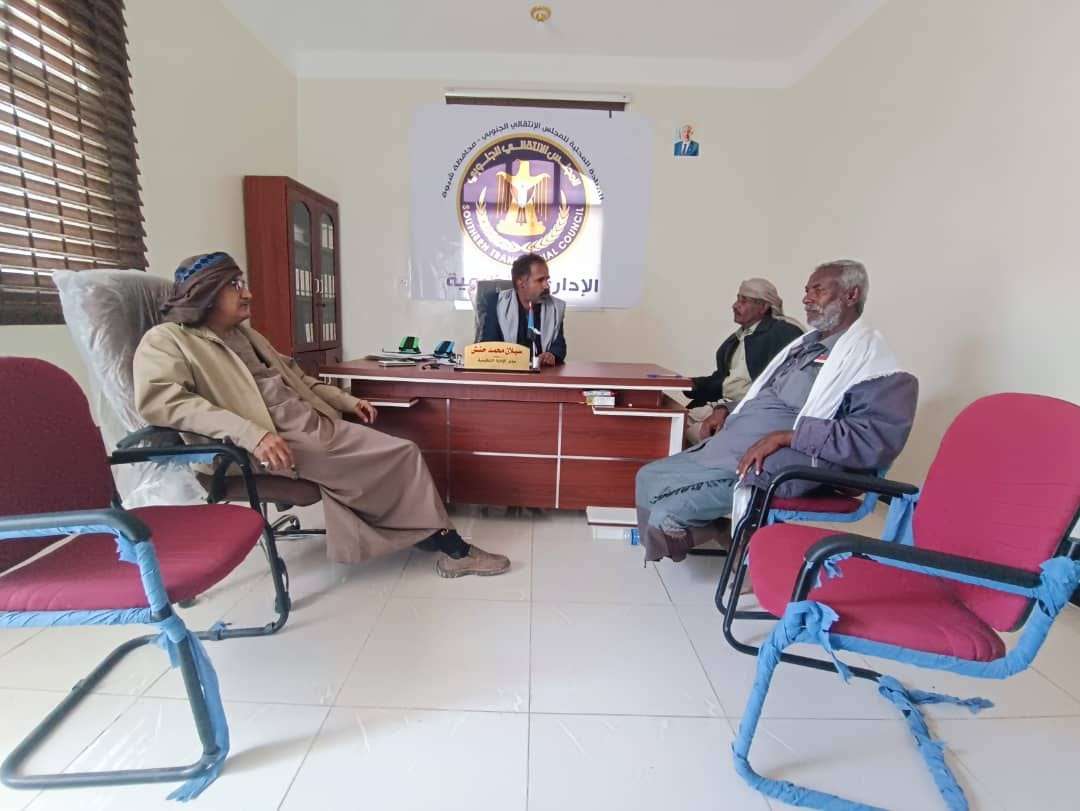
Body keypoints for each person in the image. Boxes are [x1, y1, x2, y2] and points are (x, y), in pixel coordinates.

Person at [133, 251, 510, 576]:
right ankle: (451, 547)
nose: (248, 293)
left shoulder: (246, 335)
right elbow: (164, 402)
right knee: (401, 455)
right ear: (206, 291)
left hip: (307, 422)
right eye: (236, 285)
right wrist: (252, 435)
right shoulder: (168, 340)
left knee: (394, 456)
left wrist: (344, 401)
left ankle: (421, 532)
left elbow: (296, 378)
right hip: (269, 440)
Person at [635, 260, 918, 563]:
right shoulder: (804, 348)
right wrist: (725, 408)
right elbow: (763, 395)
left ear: (852, 295)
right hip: (730, 445)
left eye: (818, 290)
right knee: (647, 477)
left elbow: (872, 441)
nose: (806, 298)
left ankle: (737, 543)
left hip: (776, 464)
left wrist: (787, 437)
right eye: (807, 290)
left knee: (666, 513)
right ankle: (734, 537)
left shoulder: (876, 367)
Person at [684, 278, 804, 444]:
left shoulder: (783, 333)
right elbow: (725, 380)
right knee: (671, 420)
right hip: (724, 406)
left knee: (682, 431)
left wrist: (726, 408)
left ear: (764, 307)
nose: (735, 305)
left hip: (750, 412)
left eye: (744, 301)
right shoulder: (738, 338)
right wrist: (689, 383)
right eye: (737, 299)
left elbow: (781, 387)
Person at [479, 252, 567, 365]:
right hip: (506, 370)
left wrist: (552, 354)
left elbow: (559, 345)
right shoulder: (497, 303)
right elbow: (489, 344)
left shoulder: (554, 307)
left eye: (547, 279)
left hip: (541, 371)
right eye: (540, 280)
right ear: (521, 282)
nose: (546, 285)